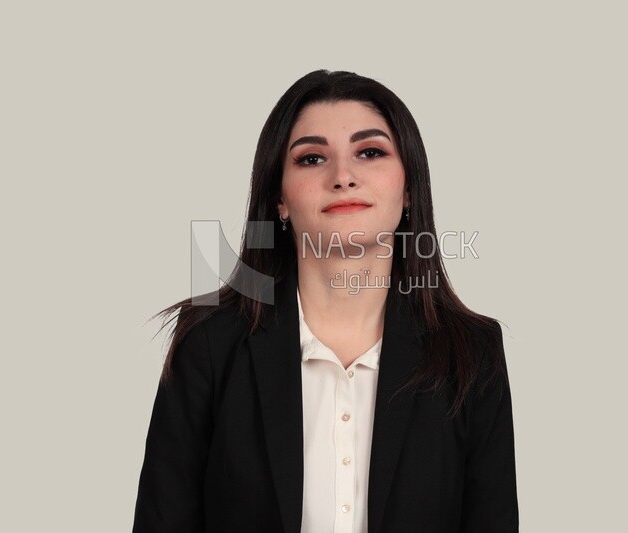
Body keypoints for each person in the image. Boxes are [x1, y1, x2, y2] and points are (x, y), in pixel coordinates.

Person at [132, 69, 519, 533]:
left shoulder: (472, 354)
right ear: (279, 197)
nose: (343, 177)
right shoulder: (208, 345)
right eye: (312, 158)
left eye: (370, 152)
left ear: (410, 187)